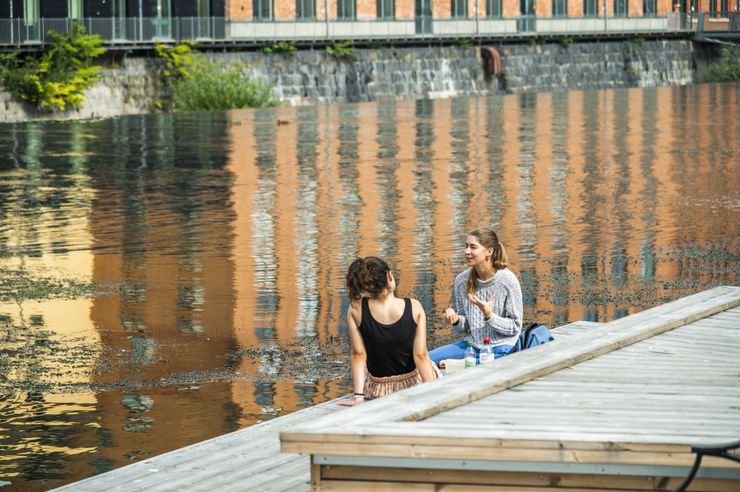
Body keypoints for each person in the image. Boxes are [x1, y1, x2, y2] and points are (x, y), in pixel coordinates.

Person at [339, 256, 438, 406]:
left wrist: (358, 397)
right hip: (413, 385)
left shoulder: (355, 309)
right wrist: (433, 393)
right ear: (389, 276)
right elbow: (421, 355)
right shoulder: (414, 306)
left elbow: (358, 355)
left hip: (379, 390)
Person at [429, 228, 523, 367]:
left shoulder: (508, 281)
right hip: (471, 346)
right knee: (426, 359)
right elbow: (465, 327)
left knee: (502, 359)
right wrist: (456, 320)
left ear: (489, 252)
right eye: (466, 246)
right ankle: (466, 362)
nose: (467, 252)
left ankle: (461, 364)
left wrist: (489, 316)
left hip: (501, 346)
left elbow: (515, 327)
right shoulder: (461, 281)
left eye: (473, 247)